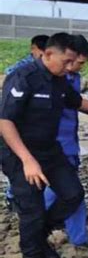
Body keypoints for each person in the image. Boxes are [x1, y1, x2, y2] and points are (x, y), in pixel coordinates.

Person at [0, 32, 88, 258]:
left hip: (50, 149)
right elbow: (5, 122)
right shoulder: (23, 77)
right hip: (19, 153)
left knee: (73, 194)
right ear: (48, 54)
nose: (70, 67)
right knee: (31, 211)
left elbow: (76, 101)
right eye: (66, 61)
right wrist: (27, 160)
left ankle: (42, 233)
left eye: (72, 62)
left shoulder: (60, 79)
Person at [42, 35, 88, 252]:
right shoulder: (48, 78)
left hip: (70, 142)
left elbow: (77, 103)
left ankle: (44, 229)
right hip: (57, 145)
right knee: (70, 192)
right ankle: (77, 237)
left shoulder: (72, 77)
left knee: (62, 191)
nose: (76, 67)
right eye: (77, 62)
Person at [3, 35, 50, 211]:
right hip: (15, 121)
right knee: (19, 172)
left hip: (32, 129)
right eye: (41, 52)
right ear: (34, 49)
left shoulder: (48, 71)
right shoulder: (22, 70)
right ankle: (12, 198)